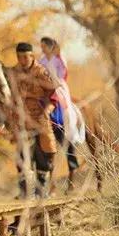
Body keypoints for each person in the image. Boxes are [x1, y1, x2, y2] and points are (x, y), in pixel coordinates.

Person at [6, 42, 59, 199]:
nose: (22, 60)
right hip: (20, 117)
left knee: (45, 150)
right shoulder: (13, 73)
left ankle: (42, 190)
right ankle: (24, 192)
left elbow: (53, 97)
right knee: (22, 155)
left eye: (25, 57)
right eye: (19, 57)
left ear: (32, 56)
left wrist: (47, 111)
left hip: (38, 115)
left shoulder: (42, 72)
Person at [40, 36, 81, 188]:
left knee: (65, 108)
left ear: (51, 46)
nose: (42, 49)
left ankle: (67, 127)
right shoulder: (42, 60)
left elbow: (63, 75)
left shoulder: (59, 60)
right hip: (44, 89)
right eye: (41, 46)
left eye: (44, 46)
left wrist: (53, 83)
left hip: (58, 88)